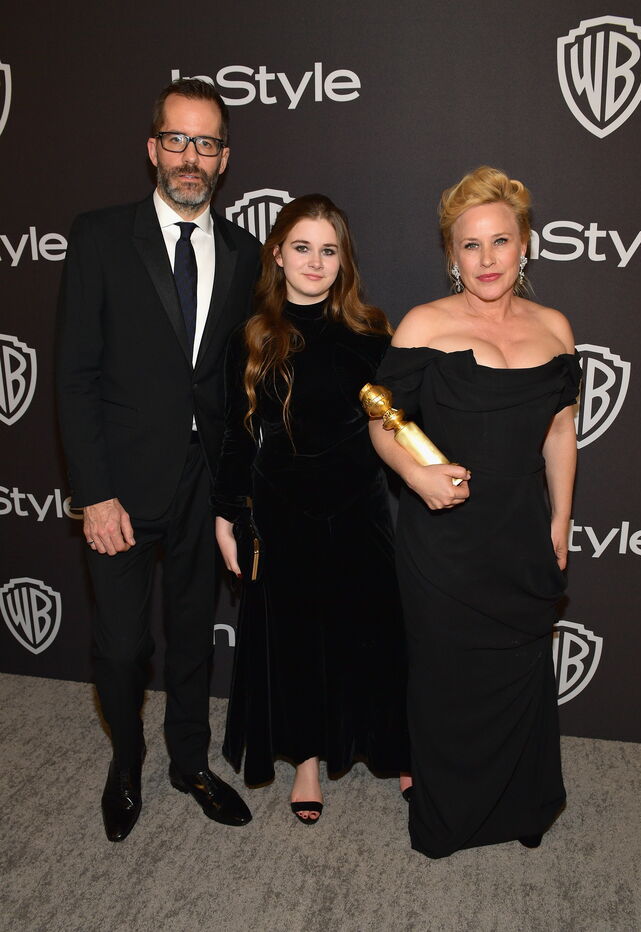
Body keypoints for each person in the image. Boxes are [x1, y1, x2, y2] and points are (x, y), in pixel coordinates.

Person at [56, 78, 260, 842]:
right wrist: (95, 494)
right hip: (121, 489)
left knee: (191, 635)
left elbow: (239, 384)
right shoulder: (101, 236)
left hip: (203, 486)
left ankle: (190, 763)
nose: (190, 156)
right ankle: (127, 760)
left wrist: (234, 500)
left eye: (206, 143)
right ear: (152, 148)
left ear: (225, 158)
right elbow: (75, 375)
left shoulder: (245, 254)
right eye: (176, 139)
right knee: (121, 644)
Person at [369, 166, 580, 858]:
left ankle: (524, 804)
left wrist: (561, 520)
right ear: (450, 256)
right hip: (444, 540)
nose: (487, 260)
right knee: (447, 681)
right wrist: (417, 474)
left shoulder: (555, 328)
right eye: (470, 246)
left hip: (520, 534)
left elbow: (560, 432)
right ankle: (447, 817)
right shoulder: (427, 324)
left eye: (500, 242)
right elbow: (382, 422)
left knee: (520, 676)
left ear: (526, 245)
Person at [214, 194, 409, 823]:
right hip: (283, 509)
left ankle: (394, 745)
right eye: (302, 247)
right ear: (277, 254)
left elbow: (402, 425)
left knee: (375, 631)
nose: (315, 261)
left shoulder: (373, 335)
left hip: (359, 506)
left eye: (329, 250)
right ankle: (304, 762)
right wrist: (227, 513)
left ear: (344, 262)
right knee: (295, 636)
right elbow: (237, 436)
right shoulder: (254, 336)